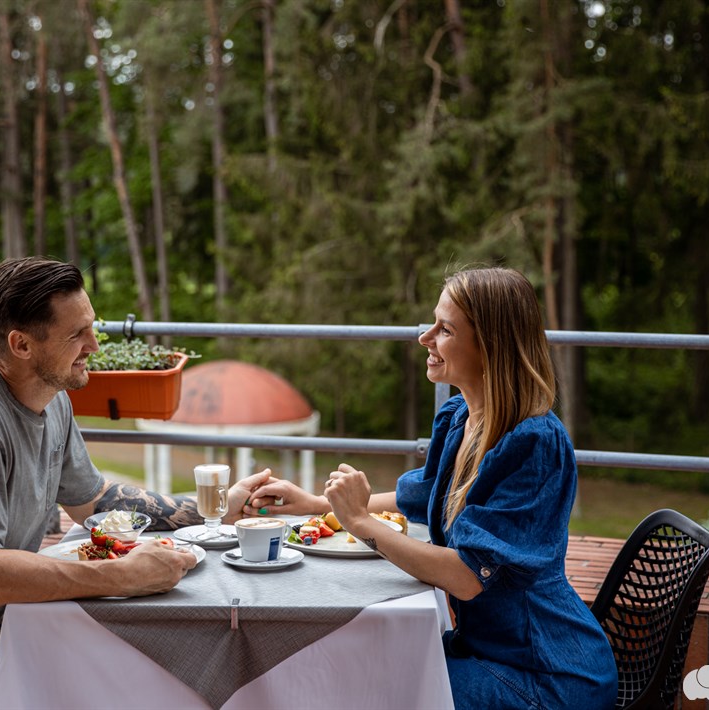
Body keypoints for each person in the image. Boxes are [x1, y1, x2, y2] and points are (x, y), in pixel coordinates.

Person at [0, 257, 272, 709]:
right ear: (21, 344)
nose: (94, 345)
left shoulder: (50, 400)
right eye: (77, 335)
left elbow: (95, 501)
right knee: (89, 697)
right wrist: (121, 576)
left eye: (92, 328)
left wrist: (215, 510)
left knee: (127, 675)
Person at [247, 267, 618, 709]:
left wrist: (361, 522)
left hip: (546, 676)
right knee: (357, 666)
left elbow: (467, 577)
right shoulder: (460, 419)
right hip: (487, 651)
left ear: (490, 345)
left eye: (445, 329)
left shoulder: (534, 443)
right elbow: (423, 498)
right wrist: (316, 505)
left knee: (372, 692)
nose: (425, 338)